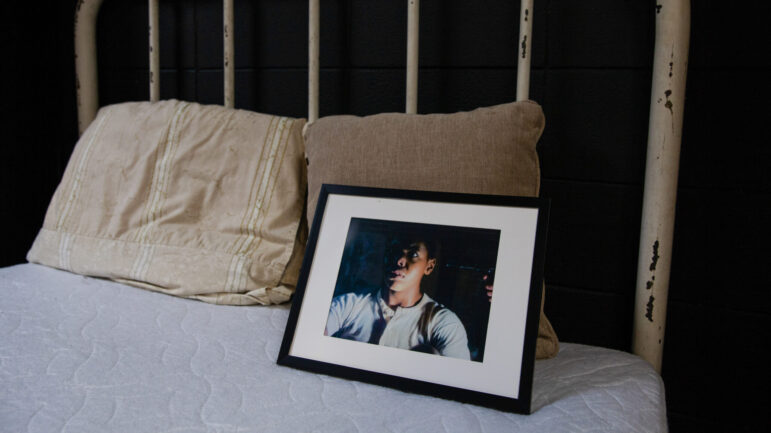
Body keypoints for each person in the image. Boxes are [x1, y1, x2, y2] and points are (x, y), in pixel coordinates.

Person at [325, 234, 471, 360]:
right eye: (393, 251)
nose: (399, 260)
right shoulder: (349, 304)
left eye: (413, 254)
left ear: (429, 266)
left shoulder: (445, 323)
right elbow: (311, 337)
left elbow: (458, 380)